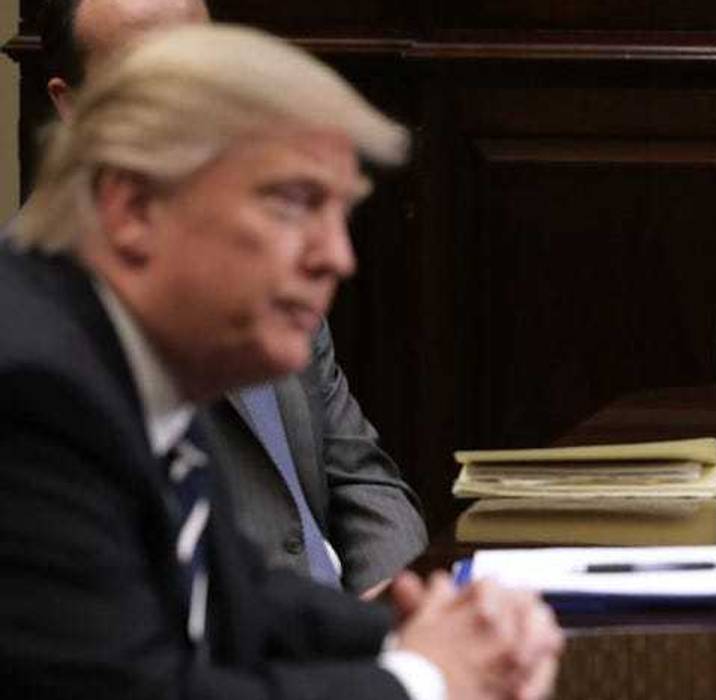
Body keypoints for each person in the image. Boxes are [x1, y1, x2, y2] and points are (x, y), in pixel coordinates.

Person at [0, 23, 561, 699]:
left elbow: (234, 594)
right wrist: (422, 679)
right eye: (294, 204)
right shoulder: (30, 392)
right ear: (133, 208)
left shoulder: (137, 358)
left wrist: (421, 624)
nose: (337, 257)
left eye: (339, 214)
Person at [38, 0, 428, 595]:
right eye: (159, 77)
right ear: (73, 107)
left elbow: (362, 479)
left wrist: (399, 609)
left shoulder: (261, 251)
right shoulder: (44, 335)